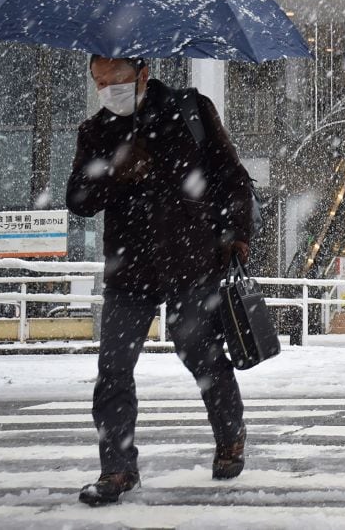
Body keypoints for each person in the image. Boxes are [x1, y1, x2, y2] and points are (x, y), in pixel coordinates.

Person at [66, 55, 253, 506]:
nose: (107, 88)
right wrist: (117, 169)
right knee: (113, 368)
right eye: (99, 81)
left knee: (201, 353)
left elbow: (232, 176)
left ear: (143, 73)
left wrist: (237, 234)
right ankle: (117, 469)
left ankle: (230, 433)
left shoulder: (190, 110)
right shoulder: (96, 131)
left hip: (190, 259)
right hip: (129, 270)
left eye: (116, 79)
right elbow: (78, 198)